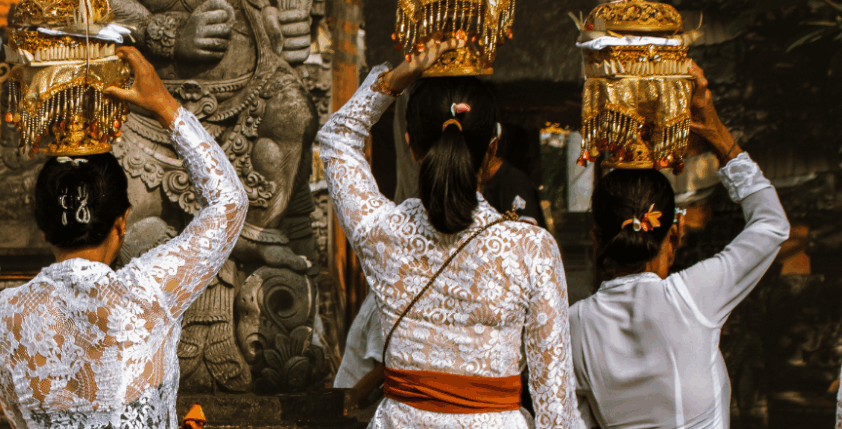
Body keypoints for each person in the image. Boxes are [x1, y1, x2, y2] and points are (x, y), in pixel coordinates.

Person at [319, 37, 581, 429]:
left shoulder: (383, 233)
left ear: (411, 146)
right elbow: (555, 409)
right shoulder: (532, 249)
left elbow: (337, 139)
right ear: (493, 149)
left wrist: (396, 79)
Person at [0, 47, 249, 429]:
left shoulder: (3, 314)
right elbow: (229, 201)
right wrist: (165, 107)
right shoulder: (146, 295)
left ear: (43, 228)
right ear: (121, 224)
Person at [569, 63, 790, 428]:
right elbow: (771, 224)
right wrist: (720, 136)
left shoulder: (574, 325)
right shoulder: (693, 295)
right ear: (677, 230)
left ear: (596, 238)